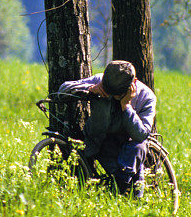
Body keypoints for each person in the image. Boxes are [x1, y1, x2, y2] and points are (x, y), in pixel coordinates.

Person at [59, 60, 156, 197]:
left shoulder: (147, 97)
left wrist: (126, 106)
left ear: (133, 83)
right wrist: (90, 88)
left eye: (117, 94)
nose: (112, 96)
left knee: (136, 151)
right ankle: (122, 189)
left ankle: (124, 191)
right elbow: (63, 89)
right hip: (102, 141)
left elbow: (141, 135)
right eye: (108, 92)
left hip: (130, 145)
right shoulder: (101, 81)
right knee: (123, 176)